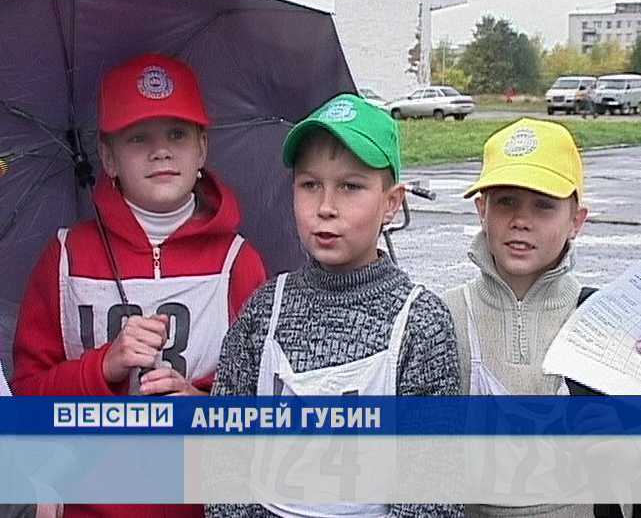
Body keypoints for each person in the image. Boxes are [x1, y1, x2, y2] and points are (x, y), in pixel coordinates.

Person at [12, 53, 267, 517]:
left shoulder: (238, 262)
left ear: (202, 149)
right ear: (108, 156)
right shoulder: (65, 258)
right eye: (137, 137)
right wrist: (103, 367)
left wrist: (199, 405)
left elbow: (263, 411)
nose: (161, 151)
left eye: (177, 134)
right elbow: (26, 407)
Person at [207, 93, 462, 518]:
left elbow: (431, 490)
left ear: (391, 203)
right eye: (310, 185)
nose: (326, 208)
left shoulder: (420, 323)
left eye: (350, 187)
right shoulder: (265, 310)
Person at [443, 118, 596, 517]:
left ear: (576, 221)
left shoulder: (601, 322)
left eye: (543, 205)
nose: (521, 220)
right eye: (506, 201)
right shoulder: (444, 317)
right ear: (482, 210)